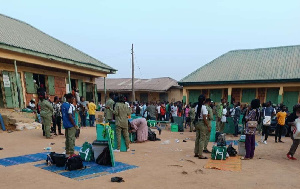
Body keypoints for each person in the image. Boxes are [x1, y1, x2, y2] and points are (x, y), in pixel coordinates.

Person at [194, 95, 210, 159]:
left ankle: (196, 152)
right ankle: (200, 154)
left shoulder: (197, 106)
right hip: (202, 123)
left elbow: (197, 114)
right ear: (204, 101)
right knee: (202, 139)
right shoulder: (204, 107)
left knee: (197, 138)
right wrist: (208, 125)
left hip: (197, 122)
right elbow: (204, 117)